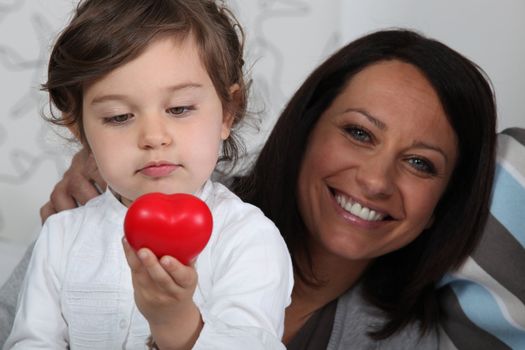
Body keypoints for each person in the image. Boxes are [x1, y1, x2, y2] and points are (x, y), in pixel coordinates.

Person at [2, 28, 499, 349]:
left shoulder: (413, 342)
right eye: (358, 133)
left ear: (444, 201)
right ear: (305, 129)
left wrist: (177, 324)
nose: (374, 179)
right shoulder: (91, 212)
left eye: (419, 163)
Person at [3, 0, 293, 349]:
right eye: (119, 117)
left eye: (180, 108)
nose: (154, 136)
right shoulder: (61, 237)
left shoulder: (248, 239)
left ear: (227, 113)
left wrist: (174, 320)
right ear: (79, 130)